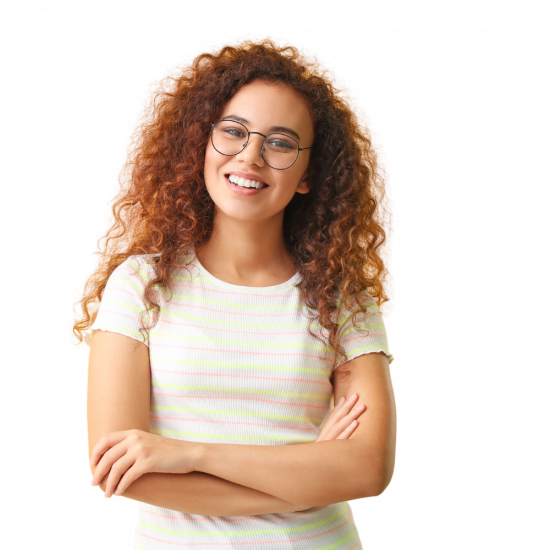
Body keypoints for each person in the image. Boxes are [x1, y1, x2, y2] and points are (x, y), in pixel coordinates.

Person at [74, 38, 396, 549]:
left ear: (309, 174)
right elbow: (122, 472)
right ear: (204, 142)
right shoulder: (139, 285)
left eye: (282, 142)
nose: (251, 156)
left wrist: (190, 454)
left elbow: (368, 468)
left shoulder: (344, 303)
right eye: (233, 132)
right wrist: (305, 479)